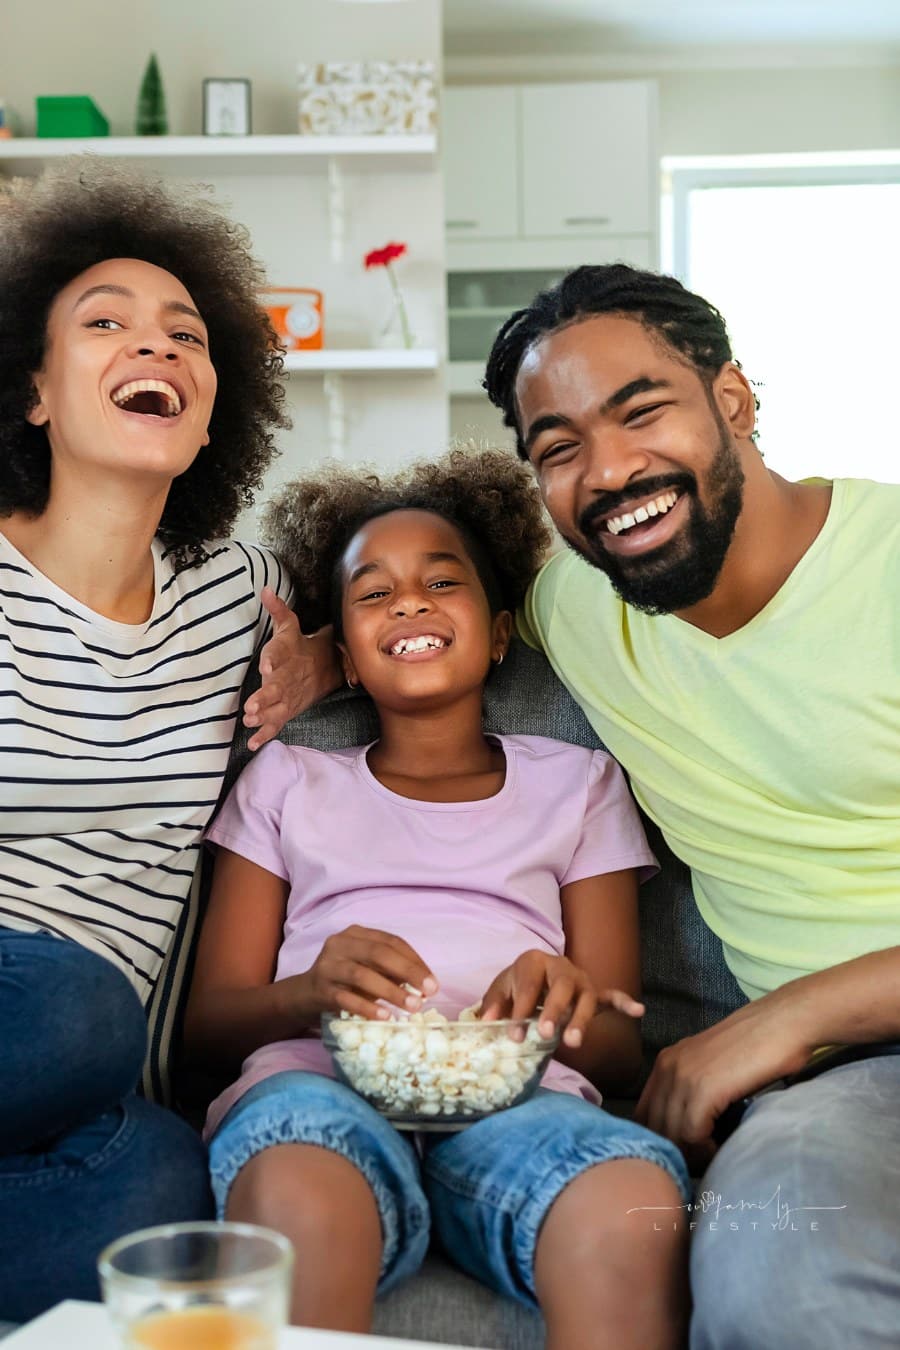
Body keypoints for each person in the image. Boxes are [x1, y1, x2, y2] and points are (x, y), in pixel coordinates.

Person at [478, 263, 900, 1349]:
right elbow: (420, 611)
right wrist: (319, 651)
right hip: (839, 1101)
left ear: (736, 401)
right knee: (779, 1286)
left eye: (642, 410)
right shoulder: (576, 602)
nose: (609, 471)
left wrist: (783, 1018)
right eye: (558, 449)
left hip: (801, 1044)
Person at [184, 448, 691, 1348]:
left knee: (625, 1197)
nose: (409, 602)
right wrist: (310, 993)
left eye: (440, 582)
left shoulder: (578, 784)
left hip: (524, 1101)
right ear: (341, 655)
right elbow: (207, 1032)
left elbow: (617, 1050)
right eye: (373, 592)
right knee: (298, 1183)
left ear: (499, 634)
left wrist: (563, 1004)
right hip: (315, 1086)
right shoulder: (287, 782)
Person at [0, 162, 335, 1320]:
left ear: (211, 416)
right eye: (105, 323)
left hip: (88, 1098)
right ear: (33, 391)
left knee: (161, 1180)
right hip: (38, 1012)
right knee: (71, 1005)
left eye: (186, 336)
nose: (159, 348)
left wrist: (325, 657)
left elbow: (413, 604)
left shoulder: (236, 593)